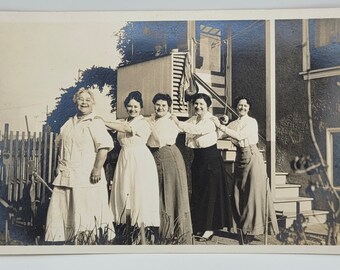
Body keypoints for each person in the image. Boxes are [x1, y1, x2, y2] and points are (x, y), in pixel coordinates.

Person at [45, 87, 115, 244]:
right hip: (66, 174)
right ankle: (64, 240)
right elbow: (61, 147)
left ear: (93, 104)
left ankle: (86, 242)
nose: (84, 102)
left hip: (87, 176)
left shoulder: (95, 122)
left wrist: (97, 169)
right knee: (63, 208)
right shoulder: (68, 123)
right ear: (75, 101)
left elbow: (103, 147)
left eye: (88, 100)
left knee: (84, 210)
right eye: (81, 99)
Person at [211, 96, 279, 239]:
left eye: (245, 105)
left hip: (252, 157)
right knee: (237, 194)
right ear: (236, 107)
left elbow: (240, 135)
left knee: (252, 195)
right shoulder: (233, 123)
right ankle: (242, 228)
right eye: (240, 105)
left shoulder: (252, 122)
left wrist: (221, 125)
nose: (242, 108)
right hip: (239, 158)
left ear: (249, 107)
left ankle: (251, 231)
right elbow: (218, 135)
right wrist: (219, 120)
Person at [171, 93, 233, 241]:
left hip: (211, 159)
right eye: (196, 104)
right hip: (198, 159)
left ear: (208, 106)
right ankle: (199, 225)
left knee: (210, 194)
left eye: (201, 105)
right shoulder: (193, 119)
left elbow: (195, 131)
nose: (198, 107)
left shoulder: (211, 120)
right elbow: (184, 131)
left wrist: (177, 122)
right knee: (198, 193)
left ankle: (209, 229)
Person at [103, 91, 160, 236]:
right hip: (124, 157)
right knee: (123, 189)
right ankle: (123, 223)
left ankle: (141, 226)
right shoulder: (123, 121)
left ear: (140, 107)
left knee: (138, 190)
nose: (132, 109)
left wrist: (103, 121)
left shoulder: (143, 123)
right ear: (125, 107)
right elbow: (117, 127)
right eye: (129, 106)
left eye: (135, 106)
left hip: (139, 159)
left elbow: (126, 129)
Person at [146, 93, 193, 244]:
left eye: (164, 105)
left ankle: (176, 232)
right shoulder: (150, 119)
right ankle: (160, 230)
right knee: (157, 193)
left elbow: (157, 141)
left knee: (171, 192)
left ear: (168, 107)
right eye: (158, 104)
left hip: (168, 156)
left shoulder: (171, 120)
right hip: (153, 157)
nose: (160, 107)